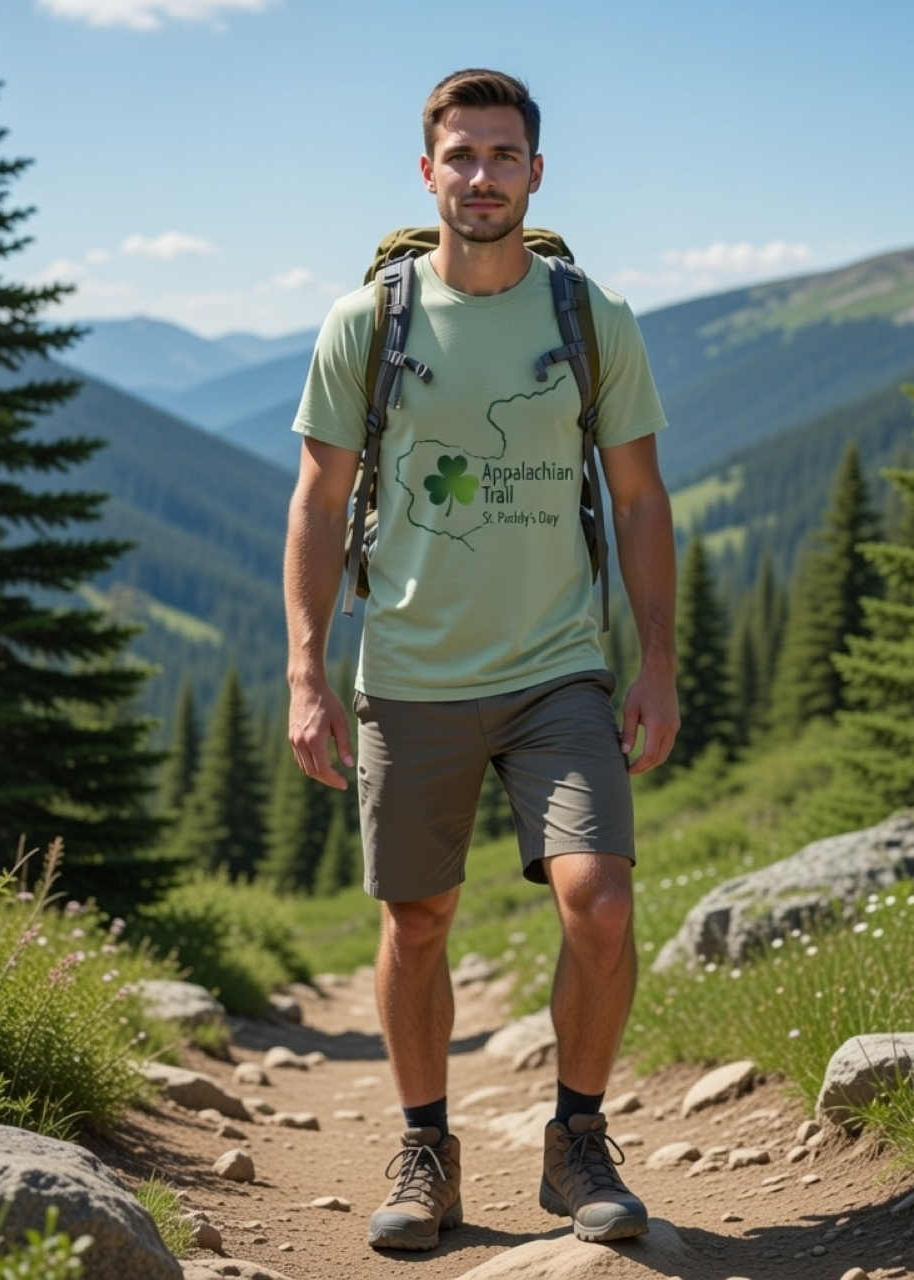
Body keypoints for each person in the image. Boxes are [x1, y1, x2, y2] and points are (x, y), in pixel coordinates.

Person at [284, 67, 679, 1253]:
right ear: (427, 173)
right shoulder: (369, 321)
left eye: (502, 156)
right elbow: (316, 499)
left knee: (598, 902)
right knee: (418, 918)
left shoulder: (587, 316)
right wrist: (307, 670)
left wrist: (653, 662)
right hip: (407, 671)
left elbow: (640, 496)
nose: (481, 177)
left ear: (535, 173)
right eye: (460, 156)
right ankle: (425, 1150)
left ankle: (576, 1136)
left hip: (559, 667)